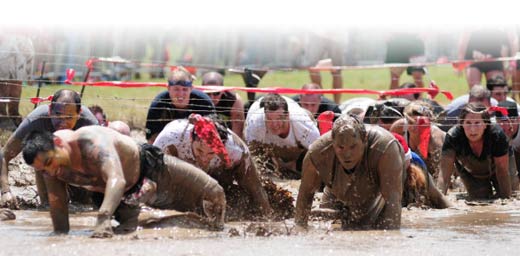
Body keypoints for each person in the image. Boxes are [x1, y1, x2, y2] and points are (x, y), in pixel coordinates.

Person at [21, 126, 226, 238]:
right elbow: (58, 208)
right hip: (123, 198)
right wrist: (57, 240)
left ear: (58, 143)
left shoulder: (90, 142)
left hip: (150, 168)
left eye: (49, 162)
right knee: (131, 233)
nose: (51, 171)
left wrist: (102, 218)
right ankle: (141, 214)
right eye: (43, 170)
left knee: (214, 194)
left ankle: (227, 227)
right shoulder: (50, 170)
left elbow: (116, 179)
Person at [152, 115, 273, 219]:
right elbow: (153, 178)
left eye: (210, 153)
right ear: (191, 139)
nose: (204, 158)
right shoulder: (169, 141)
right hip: (177, 168)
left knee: (247, 193)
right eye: (199, 150)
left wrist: (268, 219)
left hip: (217, 171)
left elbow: (256, 189)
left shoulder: (235, 150)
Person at [295, 115, 404, 230]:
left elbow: (393, 200)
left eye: (353, 147)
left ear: (365, 140)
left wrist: (392, 238)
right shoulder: (317, 154)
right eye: (340, 147)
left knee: (369, 224)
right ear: (332, 142)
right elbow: (305, 195)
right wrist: (300, 230)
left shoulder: (385, 148)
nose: (347, 155)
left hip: (377, 191)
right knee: (325, 222)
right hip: (337, 190)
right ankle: (341, 213)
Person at [1, 89, 98, 208]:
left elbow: (104, 162)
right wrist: (6, 192)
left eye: (69, 117)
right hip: (47, 168)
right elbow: (4, 155)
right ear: (50, 110)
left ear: (79, 114)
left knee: (84, 204)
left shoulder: (89, 124)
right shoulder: (36, 121)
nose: (62, 122)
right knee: (50, 208)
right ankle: (47, 203)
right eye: (57, 115)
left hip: (78, 169)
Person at [437, 103, 512, 199]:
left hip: (500, 168)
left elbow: (502, 171)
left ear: (485, 124)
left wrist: (506, 200)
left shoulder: (497, 135)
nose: (472, 130)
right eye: (468, 123)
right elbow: (444, 175)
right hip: (471, 172)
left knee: (512, 191)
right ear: (462, 124)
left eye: (477, 123)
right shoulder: (453, 137)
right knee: (480, 198)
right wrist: (439, 201)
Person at [244, 93, 320, 179]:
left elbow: (318, 155)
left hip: (297, 146)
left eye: (279, 118)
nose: (274, 124)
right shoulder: (255, 124)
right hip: (265, 145)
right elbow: (251, 157)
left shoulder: (303, 124)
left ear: (287, 116)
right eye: (269, 119)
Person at [145, 67, 215, 143]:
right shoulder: (158, 104)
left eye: (185, 89)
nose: (180, 94)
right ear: (168, 88)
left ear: (191, 88)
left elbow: (213, 134)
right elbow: (151, 138)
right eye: (176, 89)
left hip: (197, 146)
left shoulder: (204, 102)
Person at [392, 133, 451, 209]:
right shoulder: (376, 164)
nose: (399, 167)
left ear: (408, 160)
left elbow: (438, 198)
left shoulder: (416, 163)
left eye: (402, 163)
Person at [390, 101, 446, 181]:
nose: (414, 127)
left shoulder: (435, 140)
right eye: (410, 122)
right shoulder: (398, 127)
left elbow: (442, 173)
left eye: (420, 123)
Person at [0, 35, 35, 128]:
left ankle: (14, 116)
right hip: (4, 62)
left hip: (19, 66)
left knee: (16, 89)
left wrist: (29, 76)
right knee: (3, 89)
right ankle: (2, 118)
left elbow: (30, 55)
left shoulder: (27, 39)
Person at [201, 71, 245, 138]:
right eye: (207, 93)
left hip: (228, 137)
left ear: (222, 90)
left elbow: (237, 135)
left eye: (216, 93)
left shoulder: (234, 101)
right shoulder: (196, 99)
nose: (211, 97)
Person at [493, 101, 520, 190]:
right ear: (496, 121)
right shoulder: (491, 129)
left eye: (511, 121)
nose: (507, 126)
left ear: (518, 119)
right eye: (502, 122)